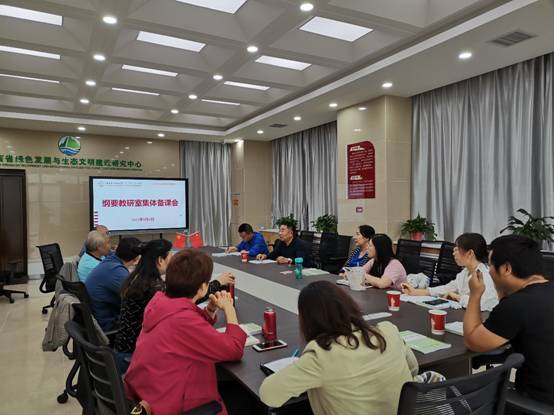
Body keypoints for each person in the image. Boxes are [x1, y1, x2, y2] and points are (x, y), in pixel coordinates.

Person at [259, 280, 418, 414]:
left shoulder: (321, 355)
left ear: (308, 321)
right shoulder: (388, 331)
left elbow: (268, 395)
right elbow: (413, 368)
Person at [124, 249, 246, 415]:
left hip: (149, 391)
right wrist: (229, 308)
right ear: (203, 288)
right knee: (246, 399)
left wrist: (210, 310)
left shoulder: (160, 302)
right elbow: (234, 348)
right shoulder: (182, 320)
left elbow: (190, 331)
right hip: (171, 402)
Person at [114, 239, 236, 370]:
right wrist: (218, 283)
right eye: (171, 258)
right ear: (160, 260)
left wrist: (209, 309)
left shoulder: (138, 278)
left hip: (126, 350)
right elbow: (184, 297)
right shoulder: (154, 288)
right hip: (135, 358)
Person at [464, 235, 554, 406]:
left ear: (506, 268)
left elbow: (473, 341)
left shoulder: (518, 304)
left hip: (537, 403)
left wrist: (475, 294)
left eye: (490, 265)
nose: (489, 271)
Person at [401, 233, 498, 311]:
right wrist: (415, 292)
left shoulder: (485, 275)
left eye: (457, 249)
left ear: (470, 253)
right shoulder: (464, 273)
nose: (453, 253)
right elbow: (445, 289)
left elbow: (482, 304)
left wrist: (457, 297)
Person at [85, 237, 141, 331]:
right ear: (136, 258)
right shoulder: (116, 271)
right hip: (108, 324)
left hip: (98, 317)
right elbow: (137, 299)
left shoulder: (110, 261)